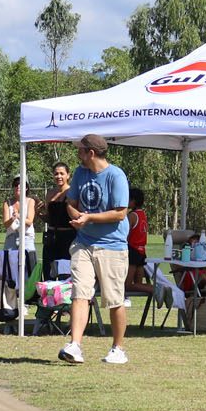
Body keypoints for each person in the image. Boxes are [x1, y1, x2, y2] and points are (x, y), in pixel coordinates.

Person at [58, 134, 130, 365]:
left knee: (114, 299)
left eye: (80, 150)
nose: (77, 154)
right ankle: (75, 346)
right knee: (80, 293)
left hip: (112, 246)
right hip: (83, 244)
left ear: (91, 153)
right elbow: (71, 203)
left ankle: (118, 348)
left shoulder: (116, 175)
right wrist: (76, 215)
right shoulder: (80, 173)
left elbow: (120, 212)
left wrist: (88, 218)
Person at [39, 161, 74, 280]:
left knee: (66, 272)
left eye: (61, 173)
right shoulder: (50, 193)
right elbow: (48, 218)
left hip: (68, 237)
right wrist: (40, 214)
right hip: (51, 238)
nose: (59, 176)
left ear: (68, 175)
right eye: (56, 174)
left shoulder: (73, 192)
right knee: (48, 272)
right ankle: (49, 297)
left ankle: (64, 298)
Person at [3, 177, 37, 277]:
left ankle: (29, 291)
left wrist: (19, 216)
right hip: (11, 238)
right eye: (16, 185)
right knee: (10, 269)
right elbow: (5, 224)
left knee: (30, 268)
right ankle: (13, 291)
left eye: (21, 184)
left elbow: (29, 221)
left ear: (26, 188)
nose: (18, 187)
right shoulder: (7, 203)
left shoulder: (30, 201)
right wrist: (12, 218)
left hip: (26, 237)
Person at [125, 187, 153, 296]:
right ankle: (157, 288)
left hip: (133, 251)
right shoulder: (143, 215)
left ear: (134, 201)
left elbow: (125, 235)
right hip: (142, 252)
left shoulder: (131, 216)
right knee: (139, 283)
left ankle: (155, 290)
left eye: (128, 199)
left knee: (128, 285)